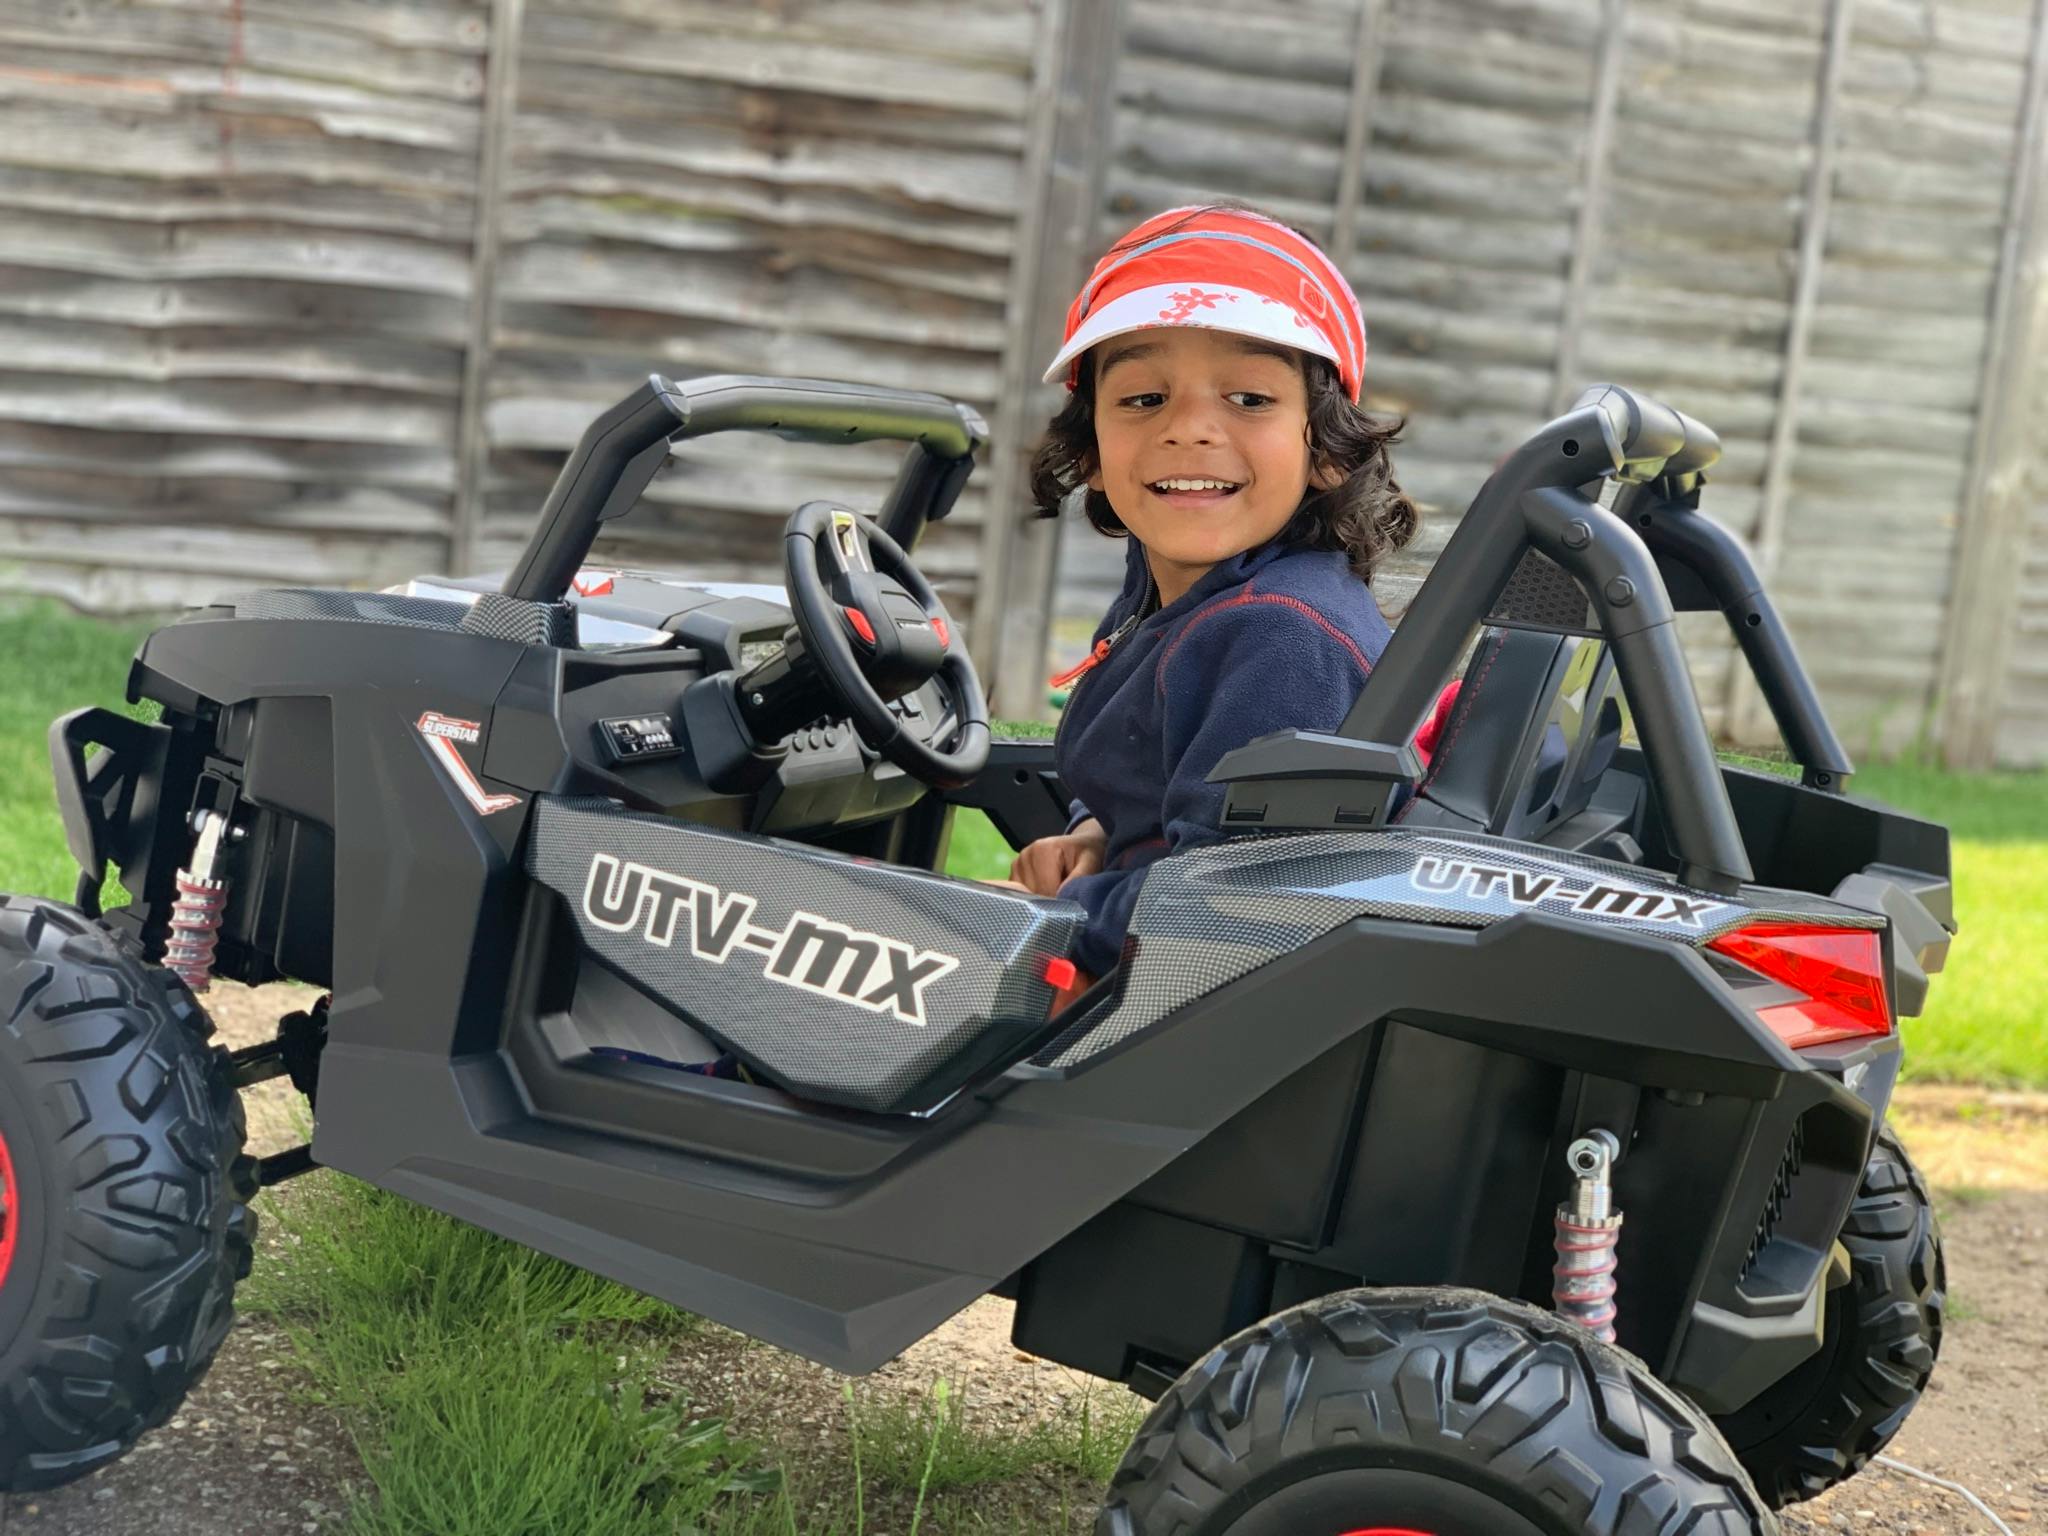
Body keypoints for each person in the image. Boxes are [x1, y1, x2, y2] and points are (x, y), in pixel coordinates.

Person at [1009, 203, 1421, 985]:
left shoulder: (1282, 639)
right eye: (1144, 398)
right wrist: (1097, 833)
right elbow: (1165, 796)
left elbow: (1225, 912)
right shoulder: (1169, 595)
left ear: (1328, 449)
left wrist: (1048, 920)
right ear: (1091, 449)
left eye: (1250, 398)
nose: (1190, 429)